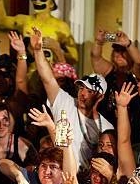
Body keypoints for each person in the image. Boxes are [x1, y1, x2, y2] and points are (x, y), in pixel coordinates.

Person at [32, 27, 113, 170]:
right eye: (81, 88)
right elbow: (48, 79)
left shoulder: (105, 127)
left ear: (100, 97)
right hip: (57, 176)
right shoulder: (65, 102)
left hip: (82, 183)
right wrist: (38, 51)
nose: (82, 93)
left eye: (89, 91)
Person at [0, 0, 78, 64]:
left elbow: (74, 58)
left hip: (51, 76)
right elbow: (2, 22)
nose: (37, 1)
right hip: (28, 76)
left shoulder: (61, 27)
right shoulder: (24, 21)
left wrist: (57, 49)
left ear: (51, 4)